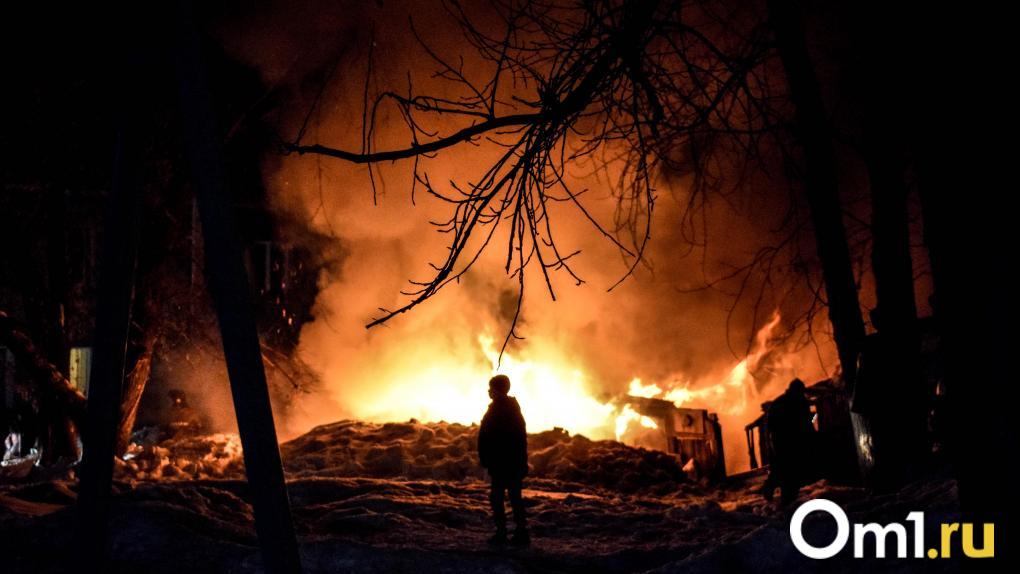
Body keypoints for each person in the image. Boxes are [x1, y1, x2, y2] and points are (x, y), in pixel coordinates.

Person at [477, 374, 530, 546]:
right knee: (511, 498)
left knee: (501, 498)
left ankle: (506, 534)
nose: (488, 391)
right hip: (506, 462)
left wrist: (490, 457)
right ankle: (517, 533)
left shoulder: (502, 410)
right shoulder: (506, 409)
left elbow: (505, 438)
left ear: (498, 391)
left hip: (504, 463)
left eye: (491, 388)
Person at [761, 378, 815, 505]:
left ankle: (772, 490)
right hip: (789, 443)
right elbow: (807, 422)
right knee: (790, 471)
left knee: (783, 470)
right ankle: (786, 500)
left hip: (784, 442)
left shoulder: (780, 402)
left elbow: (769, 425)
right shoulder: (797, 402)